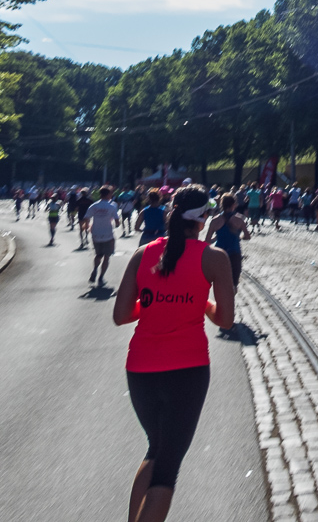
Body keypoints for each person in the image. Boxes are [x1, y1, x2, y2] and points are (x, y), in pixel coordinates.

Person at [112, 184, 234, 522]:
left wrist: (152, 304)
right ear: (203, 219)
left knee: (156, 449)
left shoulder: (143, 254)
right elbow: (225, 319)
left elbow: (121, 315)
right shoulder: (213, 258)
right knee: (167, 470)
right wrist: (203, 304)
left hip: (140, 368)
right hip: (188, 369)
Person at [204, 193, 251, 325]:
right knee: (233, 283)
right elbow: (247, 236)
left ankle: (220, 307)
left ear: (221, 204)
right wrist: (238, 237)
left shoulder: (215, 221)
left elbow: (207, 241)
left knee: (219, 282)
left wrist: (217, 238)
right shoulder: (239, 220)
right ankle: (229, 306)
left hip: (219, 254)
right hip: (234, 253)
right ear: (234, 204)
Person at [85, 185, 121, 285]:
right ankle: (101, 277)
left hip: (96, 233)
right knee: (106, 256)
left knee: (98, 255)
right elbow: (117, 221)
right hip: (108, 234)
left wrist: (88, 227)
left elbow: (87, 218)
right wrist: (117, 224)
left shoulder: (94, 206)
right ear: (108, 194)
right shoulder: (112, 206)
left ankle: (95, 269)